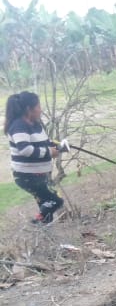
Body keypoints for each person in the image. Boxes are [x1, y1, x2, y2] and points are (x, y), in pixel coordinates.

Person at [5, 91, 64, 224]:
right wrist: (49, 152)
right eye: (38, 106)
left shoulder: (36, 124)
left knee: (47, 207)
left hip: (40, 175)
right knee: (56, 201)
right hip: (27, 176)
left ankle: (44, 229)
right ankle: (37, 222)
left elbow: (46, 142)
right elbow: (25, 150)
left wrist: (59, 146)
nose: (40, 110)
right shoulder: (18, 126)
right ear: (29, 109)